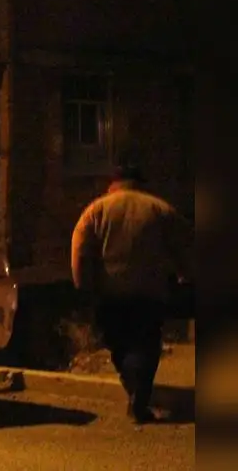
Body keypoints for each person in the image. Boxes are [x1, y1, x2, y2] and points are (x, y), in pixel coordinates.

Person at [70, 159, 191, 424]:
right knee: (146, 344)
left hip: (110, 292)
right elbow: (182, 244)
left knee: (118, 343)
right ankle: (140, 394)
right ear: (139, 183)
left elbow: (80, 247)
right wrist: (185, 274)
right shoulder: (160, 209)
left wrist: (82, 284)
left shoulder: (96, 210)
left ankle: (133, 386)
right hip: (150, 292)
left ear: (114, 183)